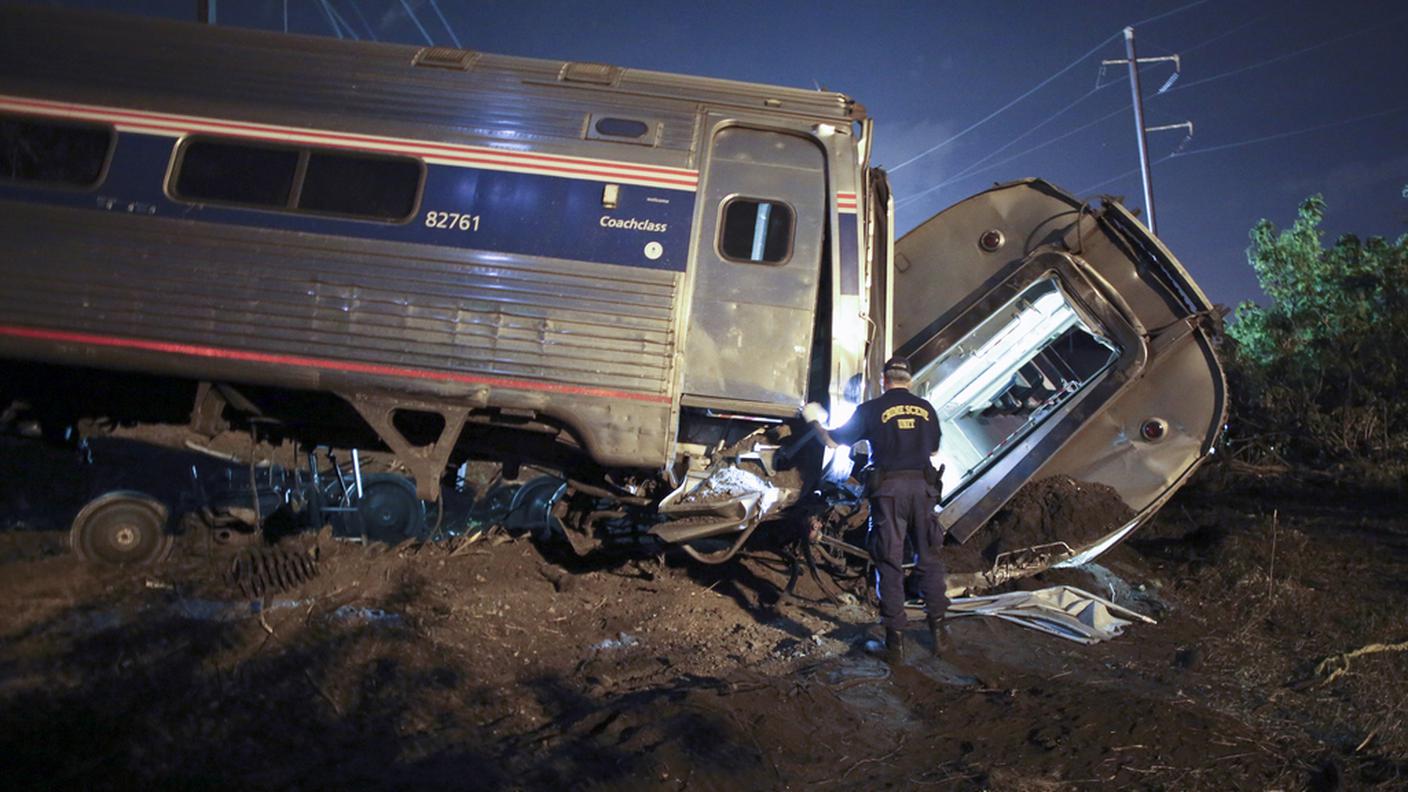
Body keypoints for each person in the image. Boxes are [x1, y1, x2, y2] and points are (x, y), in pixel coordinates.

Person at [802, 356, 948, 664]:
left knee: (889, 562)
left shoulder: (870, 410)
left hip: (890, 492)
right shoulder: (927, 409)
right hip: (923, 490)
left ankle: (895, 644)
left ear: (884, 381)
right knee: (929, 558)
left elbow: (831, 441)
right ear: (910, 380)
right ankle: (940, 635)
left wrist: (813, 418)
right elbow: (933, 449)